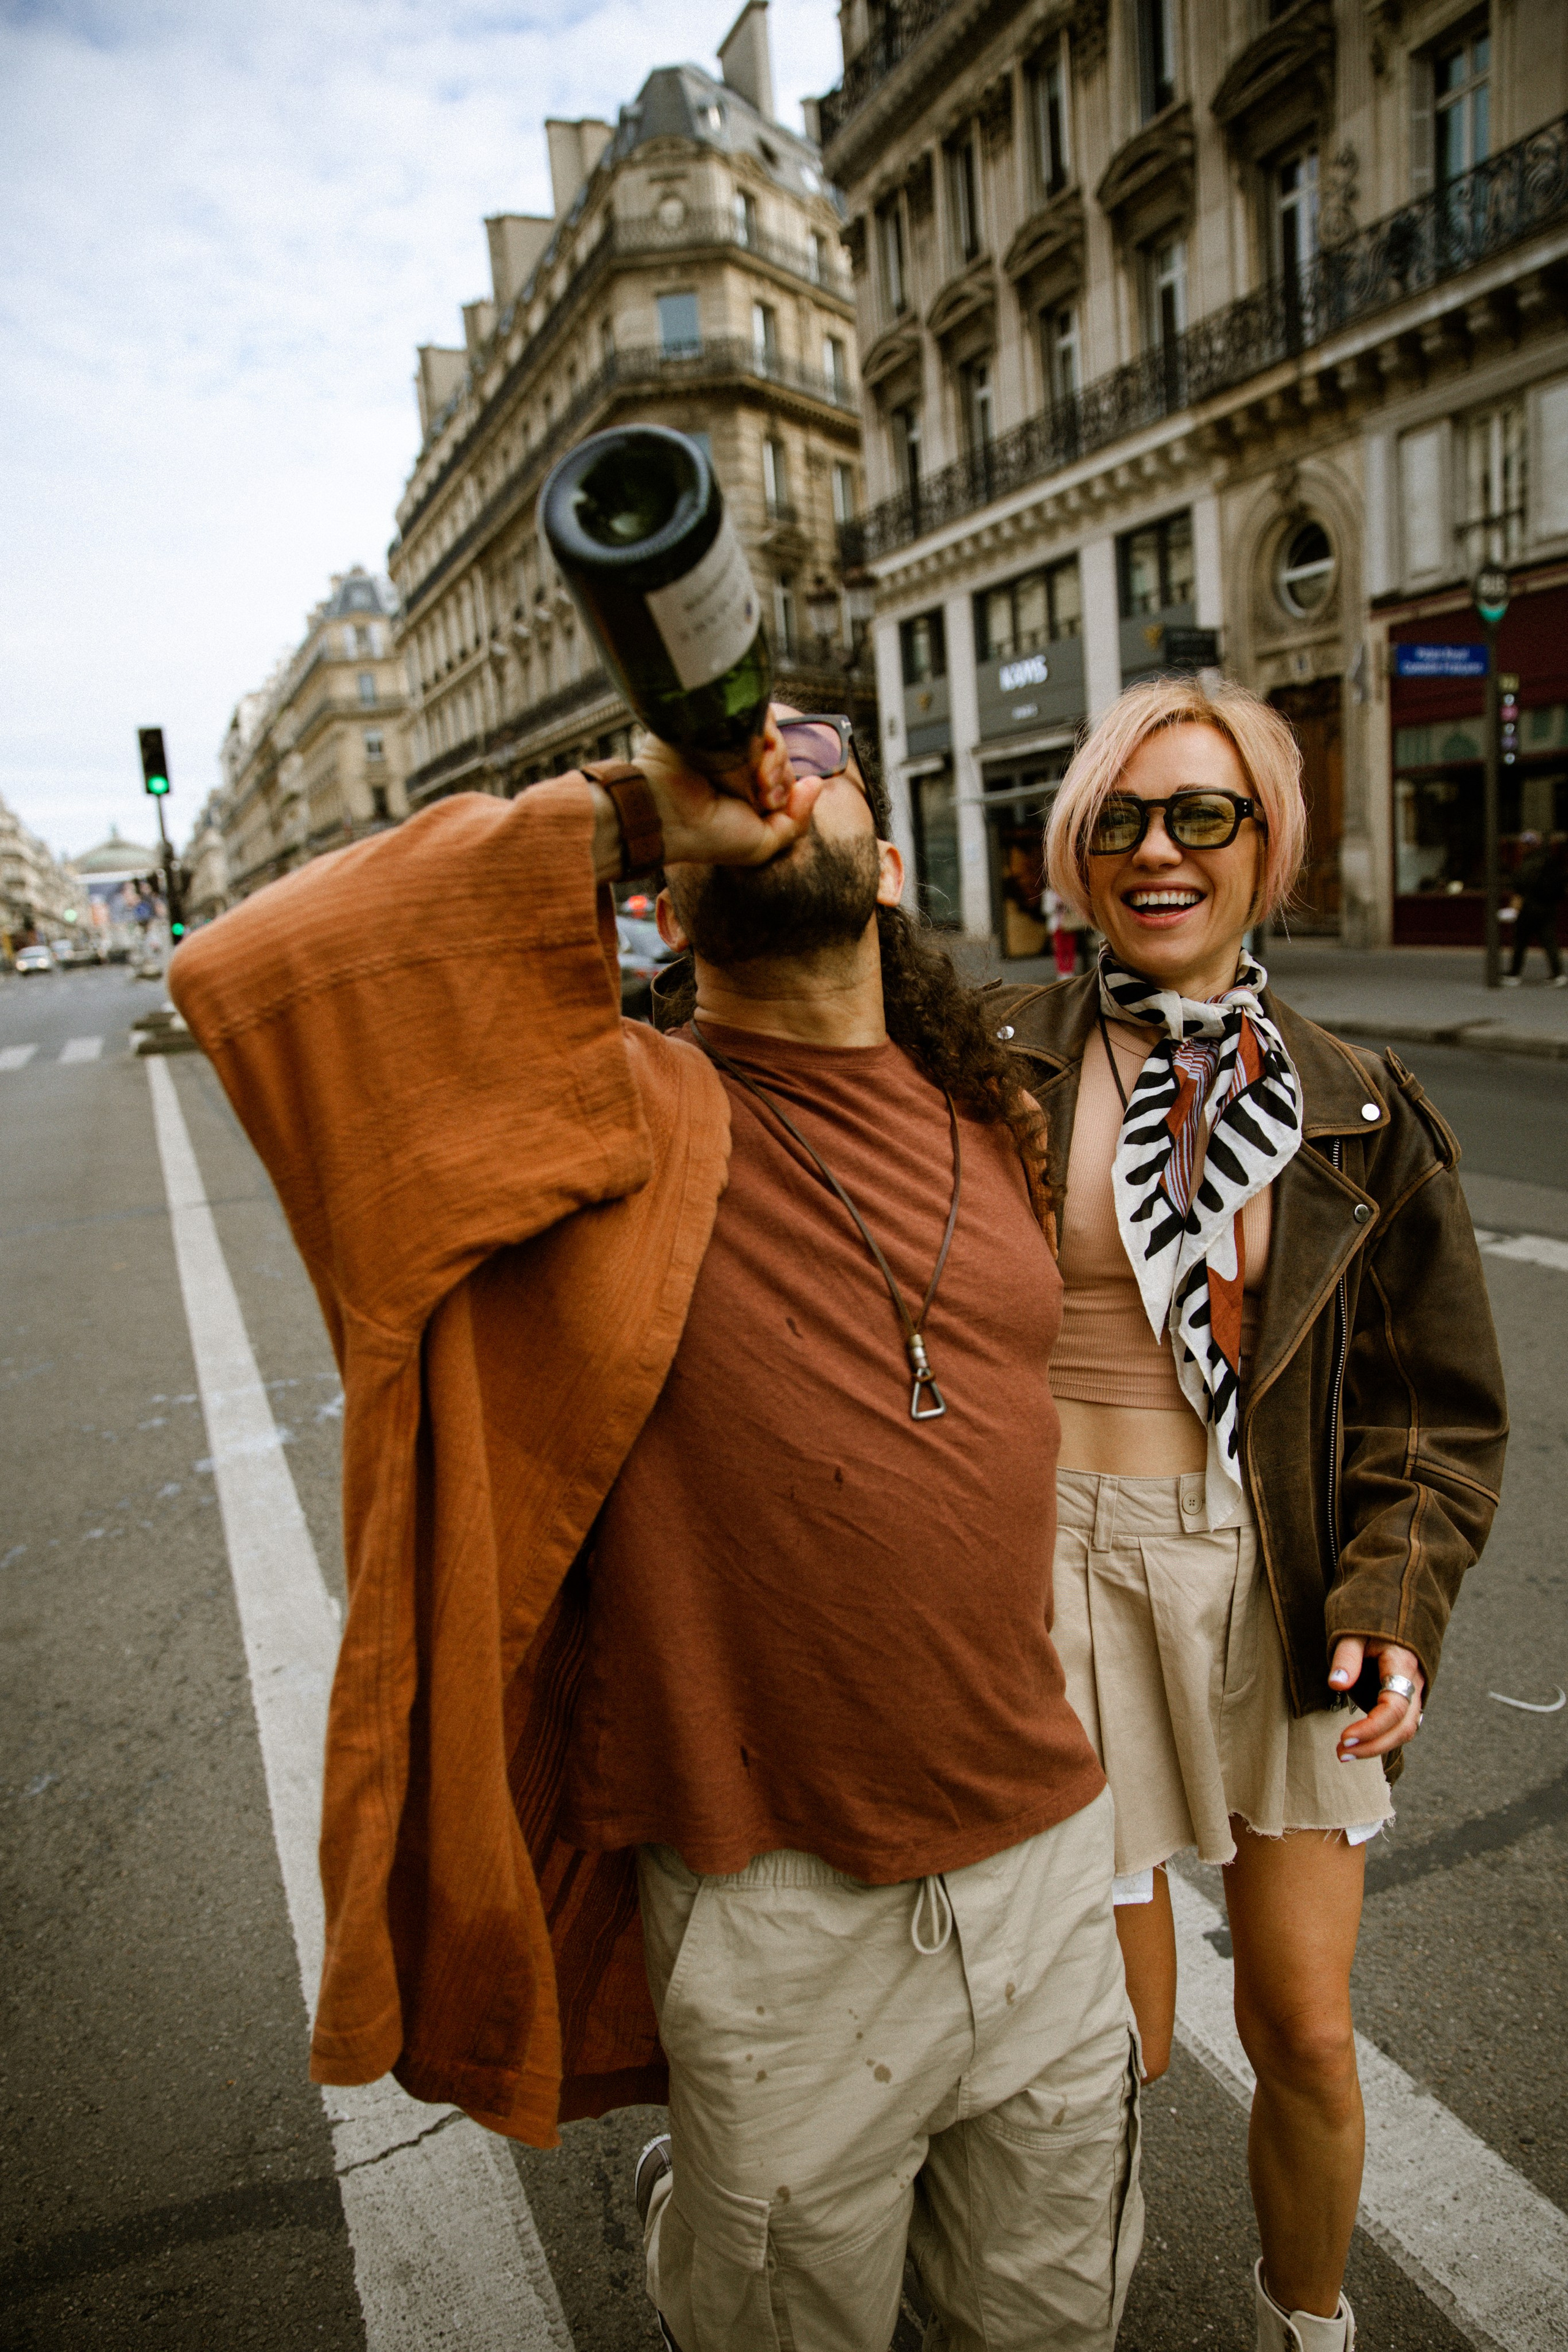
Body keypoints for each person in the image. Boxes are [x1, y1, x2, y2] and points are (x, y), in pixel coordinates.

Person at [170, 709, 1142, 2352]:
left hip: (1047, 1862)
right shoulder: (607, 1116)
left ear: (890, 866)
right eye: (729, 763)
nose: (769, 776)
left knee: (1050, 2327)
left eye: (810, 752)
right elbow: (257, 968)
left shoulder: (997, 1118)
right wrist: (632, 803)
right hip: (778, 1921)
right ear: (668, 897)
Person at [984, 678, 1507, 2352]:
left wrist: (1393, 1598)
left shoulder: (1360, 1101)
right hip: (1051, 1582)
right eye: (1122, 818)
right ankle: (1077, 2320)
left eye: (1202, 813)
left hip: (1273, 1581)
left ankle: (1308, 2325)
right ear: (1076, 849)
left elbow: (1434, 1412)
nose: (1160, 849)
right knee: (1108, 2050)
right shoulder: (982, 1059)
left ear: (1264, 842)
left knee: (1306, 2025)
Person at [1502, 828, 1566, 985]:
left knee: (1520, 942)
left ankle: (1514, 974)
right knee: (1550, 941)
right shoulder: (1548, 860)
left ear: (1527, 846)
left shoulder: (1528, 863)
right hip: (1548, 908)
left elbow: (1520, 886)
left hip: (1529, 909)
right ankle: (1558, 974)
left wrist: (1515, 907)